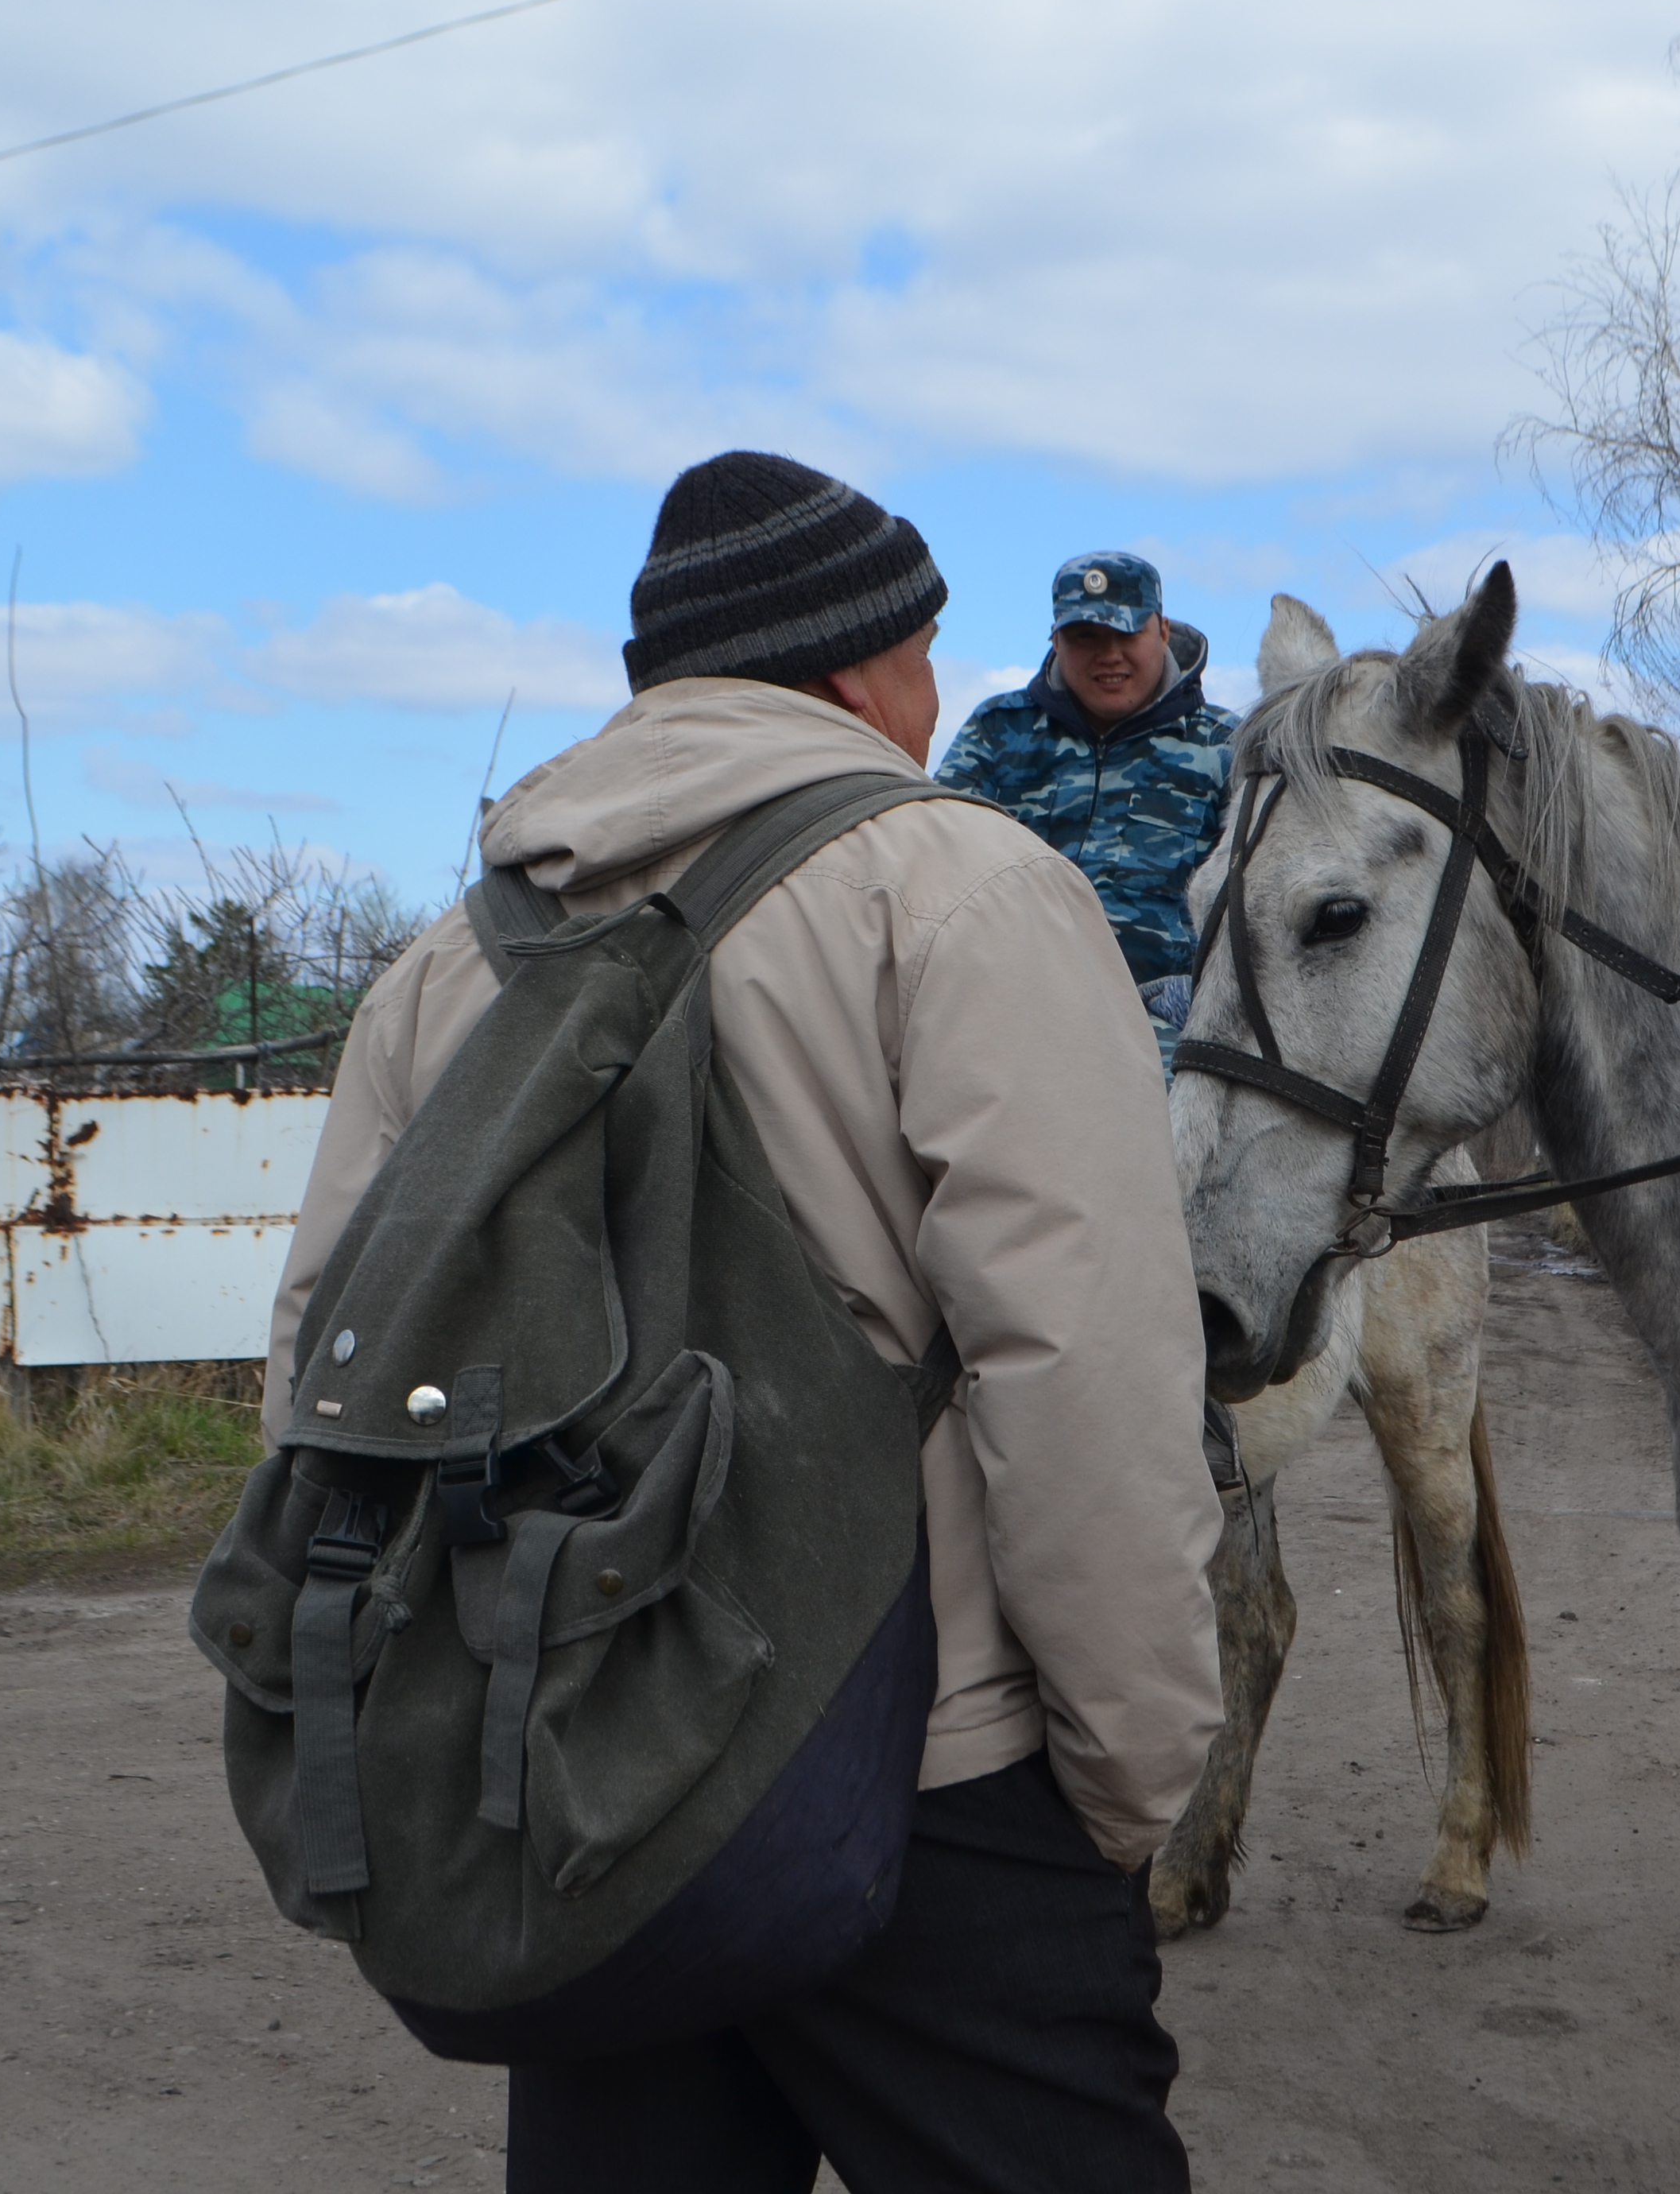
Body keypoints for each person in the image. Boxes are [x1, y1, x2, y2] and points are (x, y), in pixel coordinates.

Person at [263, 452, 1225, 2192]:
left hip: (582, 1783)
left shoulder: (458, 955)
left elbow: (323, 1363)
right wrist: (1124, 1777)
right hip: (927, 1775)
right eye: (928, 653)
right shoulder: (961, 888)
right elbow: (1083, 1374)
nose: (939, 697)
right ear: (860, 666)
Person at [932, 550, 1235, 1037]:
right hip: (1002, 1014)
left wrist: (1202, 993)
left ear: (1162, 630)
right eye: (1085, 637)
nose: (1108, 654)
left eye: (1126, 633)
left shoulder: (1227, 745)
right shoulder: (996, 731)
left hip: (1162, 1030)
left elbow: (1263, 897)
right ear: (1055, 639)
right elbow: (933, 861)